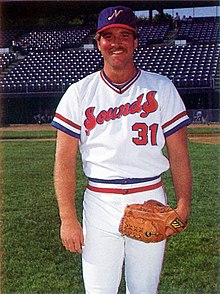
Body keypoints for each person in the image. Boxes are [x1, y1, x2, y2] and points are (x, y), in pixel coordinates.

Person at [52, 5, 192, 294]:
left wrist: (183, 204)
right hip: (100, 201)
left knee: (143, 289)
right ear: (99, 42)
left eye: (124, 35)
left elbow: (179, 152)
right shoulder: (79, 92)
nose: (116, 42)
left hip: (149, 196)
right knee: (99, 290)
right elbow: (64, 160)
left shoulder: (161, 88)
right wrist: (68, 218)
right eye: (108, 36)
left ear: (136, 41)